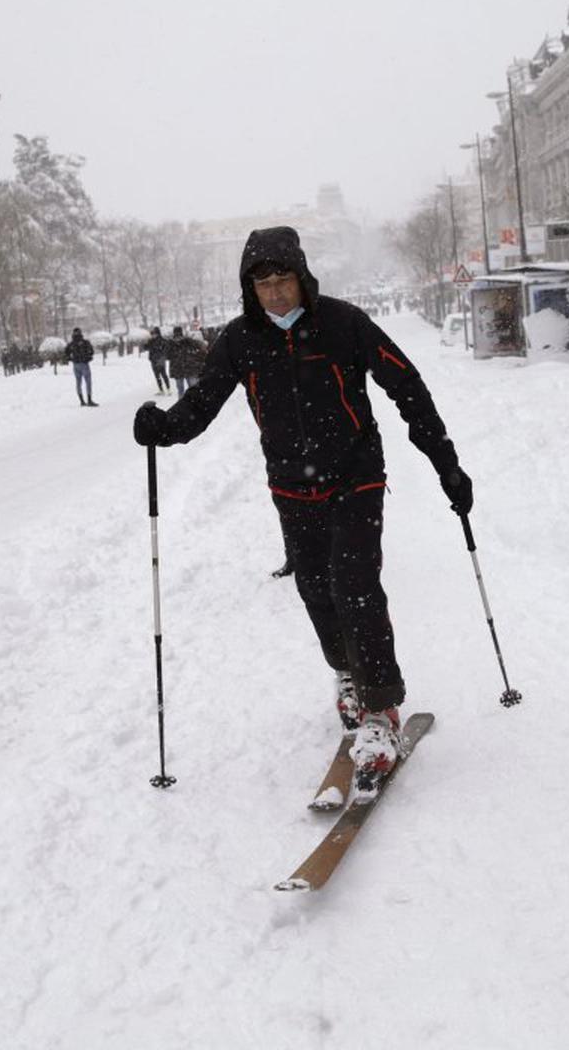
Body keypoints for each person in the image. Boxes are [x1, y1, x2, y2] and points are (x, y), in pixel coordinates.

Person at [133, 226, 472, 801]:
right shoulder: (240, 340)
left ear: (301, 277)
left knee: (355, 582)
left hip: (356, 476)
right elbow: (203, 403)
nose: (275, 293)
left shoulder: (343, 324)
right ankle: (347, 672)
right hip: (292, 486)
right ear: (250, 289)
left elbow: (406, 386)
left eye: (282, 279)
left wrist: (446, 463)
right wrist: (162, 427)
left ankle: (380, 710)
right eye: (262, 284)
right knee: (316, 588)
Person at [168, 325, 208, 398]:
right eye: (177, 335)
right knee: (184, 389)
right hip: (184, 369)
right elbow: (168, 356)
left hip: (185, 369)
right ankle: (185, 404)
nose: (178, 338)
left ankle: (192, 402)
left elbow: (199, 346)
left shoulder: (187, 341)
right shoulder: (171, 344)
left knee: (189, 388)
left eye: (179, 335)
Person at [64, 326, 98, 407]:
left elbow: (66, 352)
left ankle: (82, 401)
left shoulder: (71, 344)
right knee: (88, 382)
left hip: (75, 365)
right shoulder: (85, 342)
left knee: (78, 382)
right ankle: (89, 400)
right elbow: (91, 351)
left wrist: (70, 358)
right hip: (84, 364)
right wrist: (88, 357)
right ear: (80, 333)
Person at [143, 327, 170, 395]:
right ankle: (161, 390)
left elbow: (165, 349)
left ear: (158, 333)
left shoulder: (162, 340)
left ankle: (168, 389)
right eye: (152, 334)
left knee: (163, 375)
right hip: (153, 360)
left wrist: (161, 354)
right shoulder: (151, 341)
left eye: (154, 334)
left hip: (160, 360)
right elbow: (145, 348)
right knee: (157, 376)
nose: (153, 335)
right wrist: (146, 342)